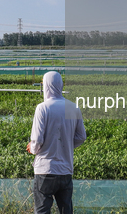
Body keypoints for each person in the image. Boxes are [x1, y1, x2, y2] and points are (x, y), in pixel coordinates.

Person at [26, 71, 86, 214]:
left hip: (45, 170)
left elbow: (37, 140)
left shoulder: (42, 108)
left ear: (46, 85)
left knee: (42, 210)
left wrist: (32, 148)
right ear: (60, 85)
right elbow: (81, 137)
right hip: (65, 170)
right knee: (66, 210)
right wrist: (67, 146)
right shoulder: (73, 107)